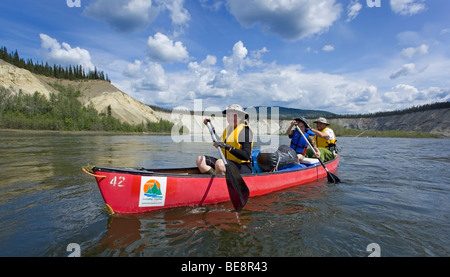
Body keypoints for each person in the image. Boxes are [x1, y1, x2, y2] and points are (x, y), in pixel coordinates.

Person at [196, 104, 254, 175]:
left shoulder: (245, 131)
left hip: (242, 167)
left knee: (220, 163)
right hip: (226, 163)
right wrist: (210, 126)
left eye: (233, 115)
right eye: (228, 115)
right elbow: (219, 142)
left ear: (241, 117)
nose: (230, 118)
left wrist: (228, 147)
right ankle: (215, 178)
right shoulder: (228, 129)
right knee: (200, 160)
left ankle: (221, 182)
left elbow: (246, 156)